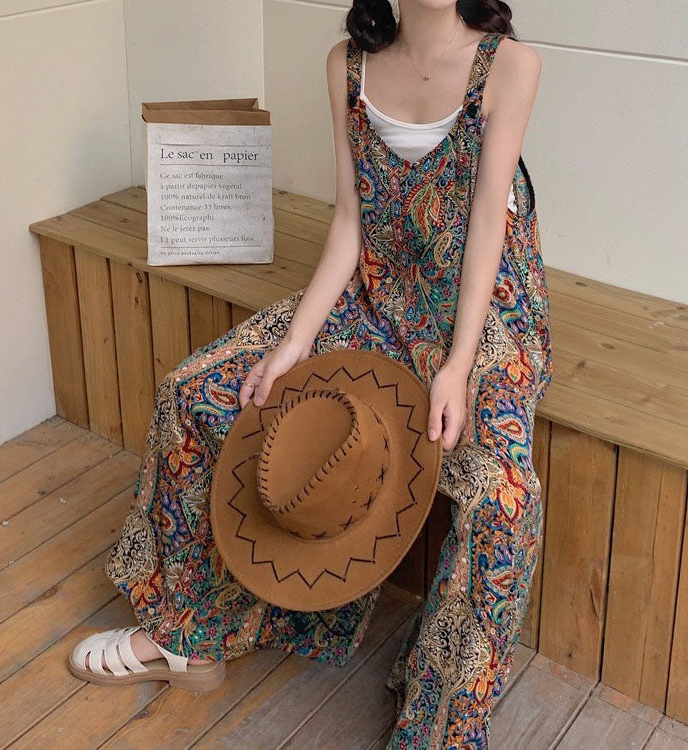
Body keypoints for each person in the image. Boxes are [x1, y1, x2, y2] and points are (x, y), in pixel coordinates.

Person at [70, 0, 552, 747]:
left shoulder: (509, 66)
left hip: (483, 314)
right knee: (198, 391)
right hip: (374, 291)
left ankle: (441, 726)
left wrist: (459, 365)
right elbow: (350, 220)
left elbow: (489, 222)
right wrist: (294, 341)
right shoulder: (347, 65)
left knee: (504, 498)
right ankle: (185, 634)